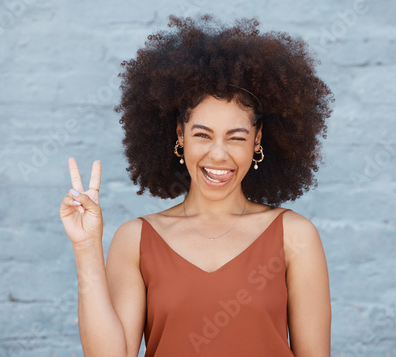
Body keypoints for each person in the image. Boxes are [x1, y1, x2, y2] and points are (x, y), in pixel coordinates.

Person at [60, 14, 333, 357]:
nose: (218, 154)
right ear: (180, 135)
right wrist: (86, 248)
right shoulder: (136, 239)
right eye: (202, 135)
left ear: (257, 140)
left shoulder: (294, 235)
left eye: (236, 137)